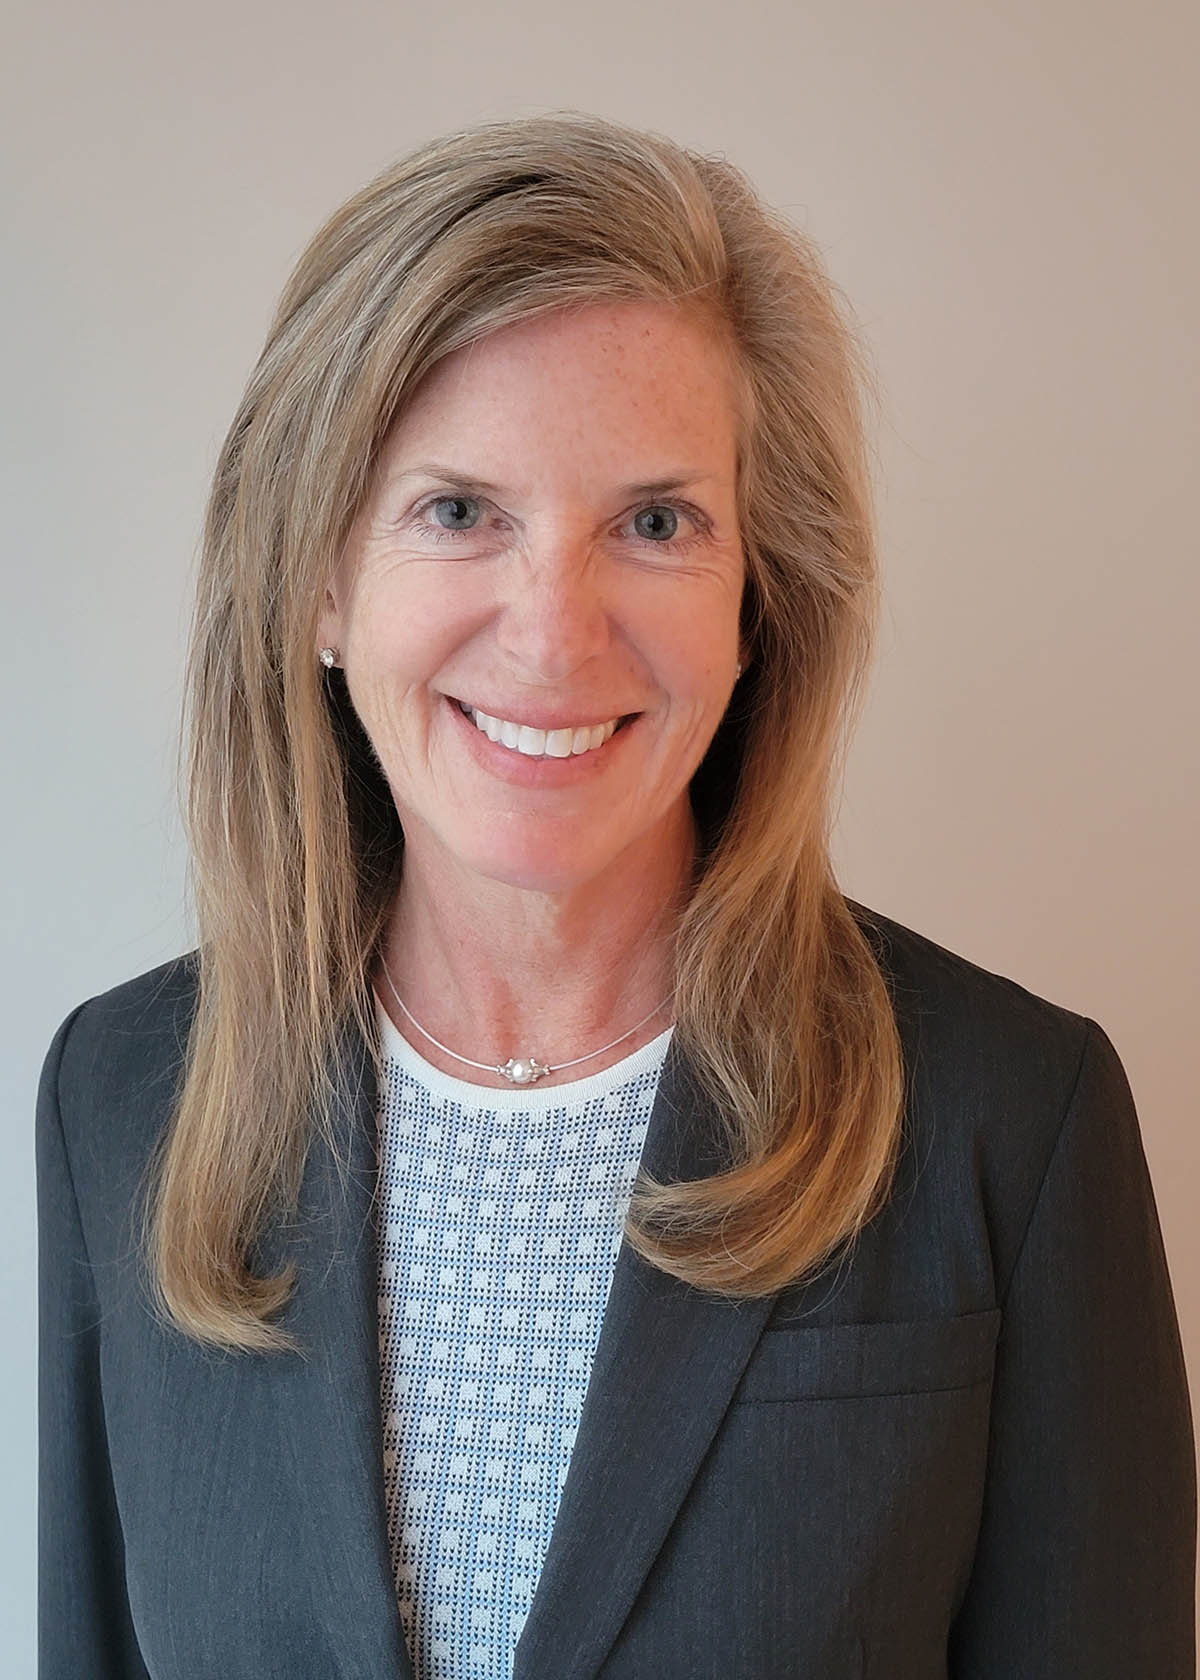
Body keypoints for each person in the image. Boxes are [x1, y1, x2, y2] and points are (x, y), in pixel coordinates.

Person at [36, 109, 1195, 1680]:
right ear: (316, 578)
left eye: (654, 523)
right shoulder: (119, 1100)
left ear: (754, 595)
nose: (553, 632)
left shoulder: (1015, 1118)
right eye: (459, 511)